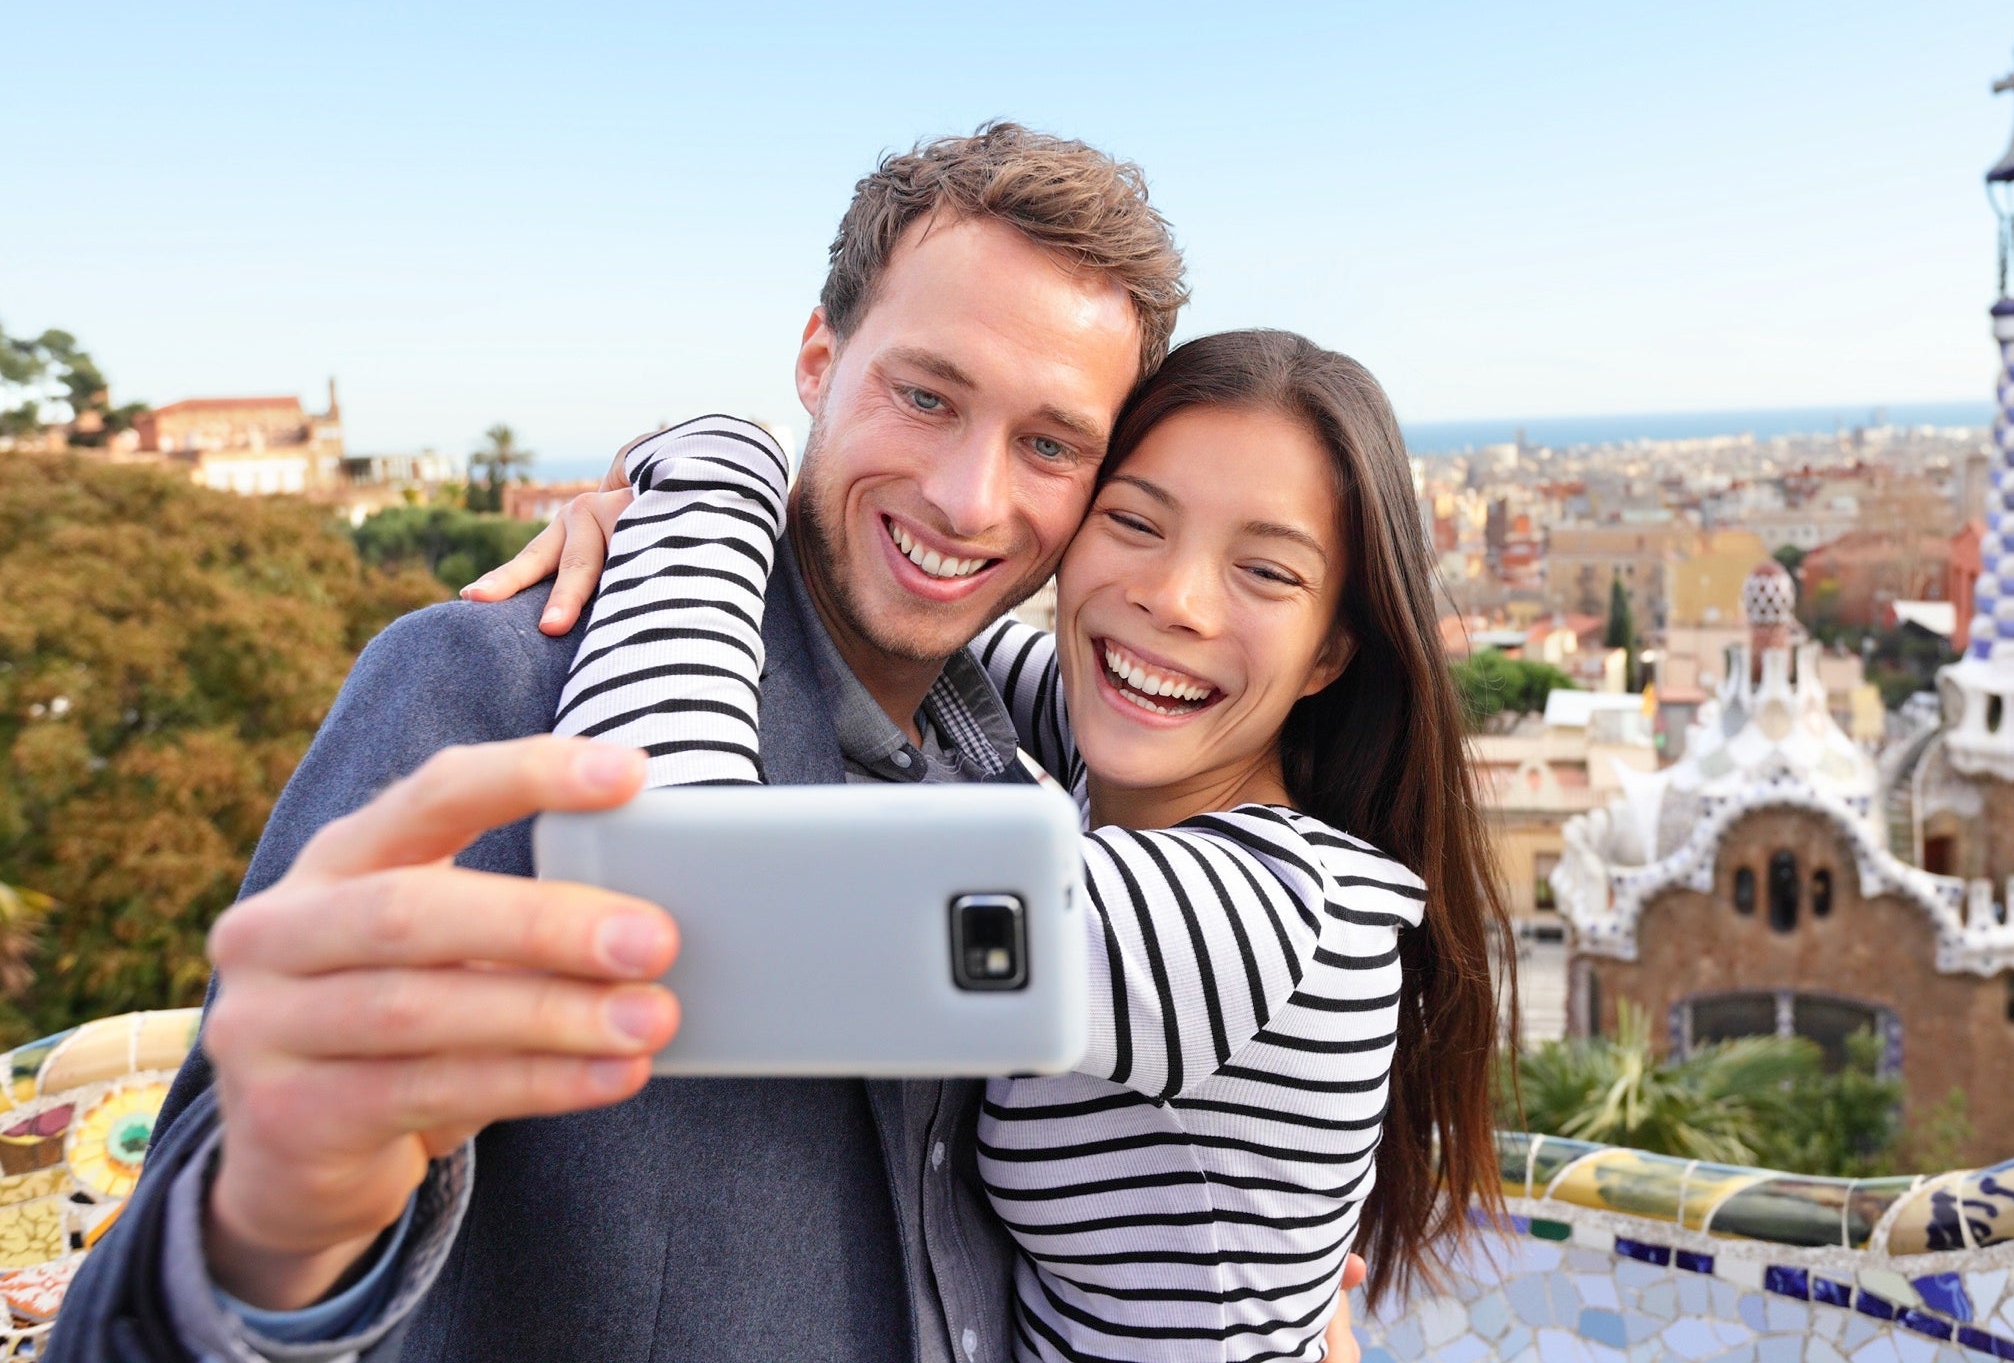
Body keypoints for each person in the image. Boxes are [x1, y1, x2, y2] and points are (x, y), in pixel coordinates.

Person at [44, 124, 1381, 1363]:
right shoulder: (496, 692)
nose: (971, 500)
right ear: (818, 360)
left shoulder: (1011, 776)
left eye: (1050, 443)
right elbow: (166, 1285)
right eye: (924, 397)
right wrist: (269, 1232)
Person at [540, 329, 1510, 1360]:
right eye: (1134, 521)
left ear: (1331, 651)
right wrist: (657, 528)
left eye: (1266, 571)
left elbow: (678, 915)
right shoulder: (1135, 766)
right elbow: (910, 612)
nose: (1171, 600)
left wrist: (711, 468)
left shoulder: (1249, 917)